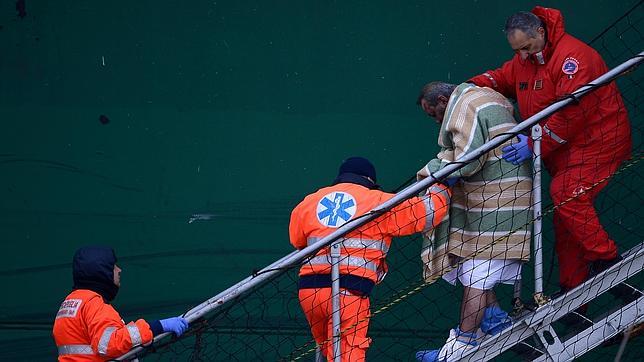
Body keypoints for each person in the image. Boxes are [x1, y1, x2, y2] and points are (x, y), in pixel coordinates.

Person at [469, 7, 632, 294]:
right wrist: (466, 89)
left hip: (599, 142)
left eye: (526, 47)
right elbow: (501, 78)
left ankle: (607, 261)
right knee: (565, 219)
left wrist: (534, 143)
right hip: (563, 152)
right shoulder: (525, 61)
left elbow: (571, 113)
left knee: (566, 194)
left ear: (540, 33)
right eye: (517, 50)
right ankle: (574, 294)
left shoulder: (574, 58)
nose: (521, 55)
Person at [289, 157, 452, 361]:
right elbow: (427, 213)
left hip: (309, 294)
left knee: (329, 351)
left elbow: (297, 240)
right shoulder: (377, 200)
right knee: (348, 354)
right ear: (368, 179)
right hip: (348, 292)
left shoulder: (309, 202)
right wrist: (442, 184)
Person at [414, 82, 533, 362]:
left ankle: (460, 348)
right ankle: (494, 321)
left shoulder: (466, 105)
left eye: (434, 114)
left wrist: (431, 170)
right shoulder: (482, 97)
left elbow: (467, 160)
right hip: (500, 199)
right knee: (472, 267)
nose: (436, 121)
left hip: (499, 203)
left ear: (444, 100)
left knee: (478, 276)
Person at [53, 246, 189, 361]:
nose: (119, 270)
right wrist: (157, 326)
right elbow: (109, 344)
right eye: (113, 266)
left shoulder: (70, 303)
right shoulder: (94, 304)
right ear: (101, 271)